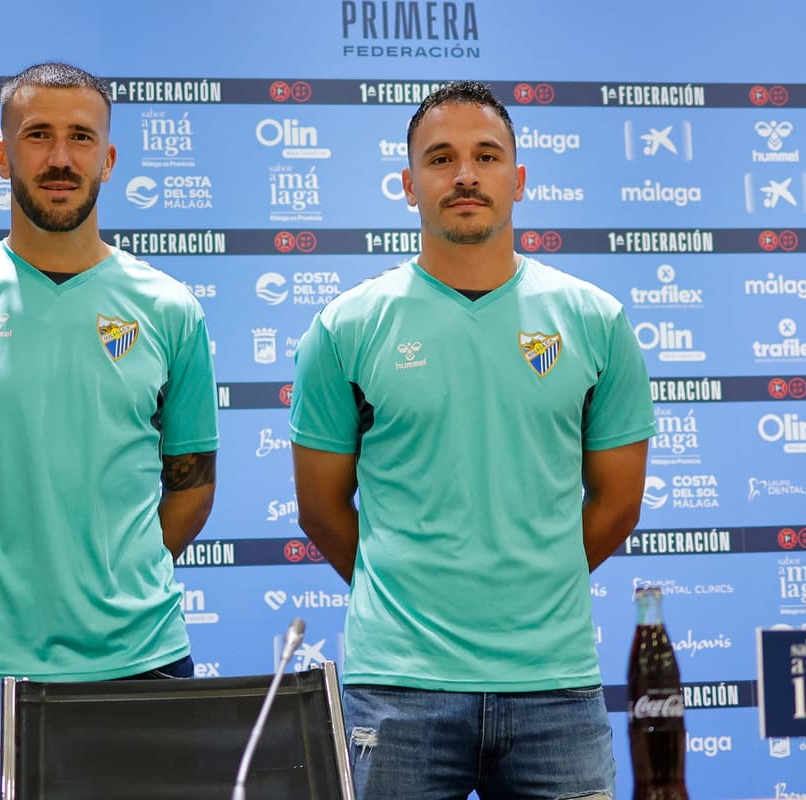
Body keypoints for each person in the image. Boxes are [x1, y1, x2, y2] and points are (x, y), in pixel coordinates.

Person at [289, 81, 655, 799]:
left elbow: (617, 502)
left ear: (518, 179)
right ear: (407, 184)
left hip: (555, 685)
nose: (464, 175)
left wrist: (533, 583)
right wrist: (412, 595)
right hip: (399, 689)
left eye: (486, 156)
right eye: (441, 158)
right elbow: (321, 510)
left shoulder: (596, 321)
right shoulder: (347, 326)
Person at [0, 62, 219, 798]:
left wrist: (112, 572)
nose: (60, 158)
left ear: (109, 158)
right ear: (3, 156)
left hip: (141, 664)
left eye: (80, 137)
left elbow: (192, 485)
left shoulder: (171, 310)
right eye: (38, 136)